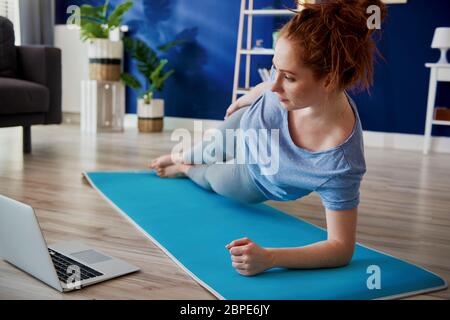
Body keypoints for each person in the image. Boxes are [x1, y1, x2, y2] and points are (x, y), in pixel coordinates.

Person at [149, 0, 387, 276]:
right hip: (250, 123)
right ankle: (181, 156)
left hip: (256, 177)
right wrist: (246, 99)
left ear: (329, 80)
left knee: (210, 178)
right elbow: (268, 86)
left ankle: (184, 168)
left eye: (288, 77)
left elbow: (341, 248)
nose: (275, 86)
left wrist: (270, 258)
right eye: (276, 69)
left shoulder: (340, 164)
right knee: (207, 149)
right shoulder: (283, 90)